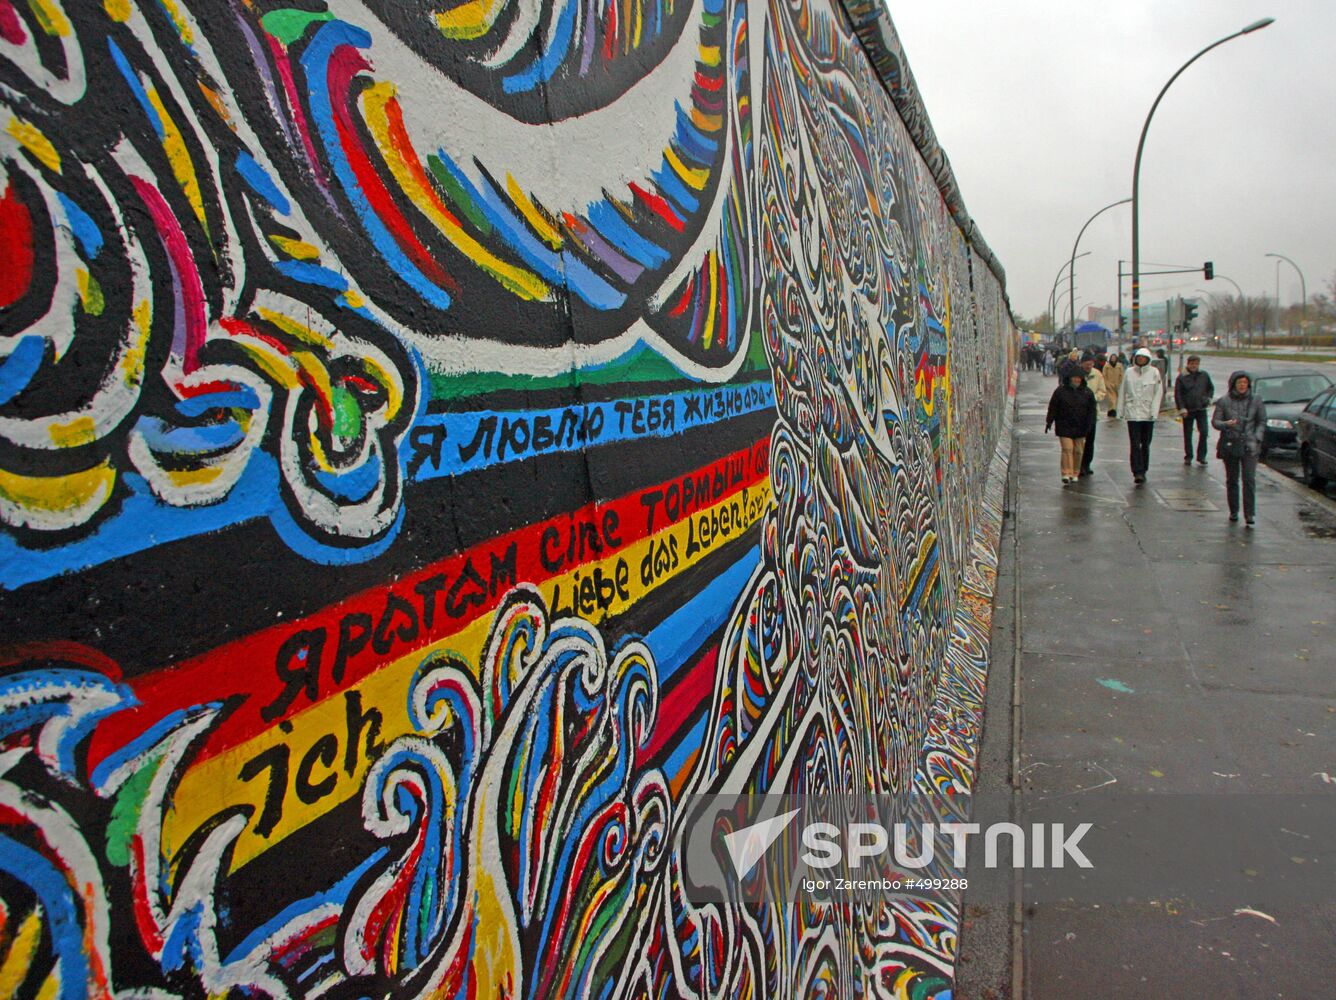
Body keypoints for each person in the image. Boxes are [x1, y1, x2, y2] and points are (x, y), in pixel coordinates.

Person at [1211, 371, 1267, 525]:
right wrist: (1226, 424)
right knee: (1232, 479)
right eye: (1239, 383)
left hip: (1250, 445)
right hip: (1231, 444)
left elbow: (1262, 420)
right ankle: (1234, 510)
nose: (1242, 385)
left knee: (1249, 479)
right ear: (1233, 384)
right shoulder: (1224, 401)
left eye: (1244, 383)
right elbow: (1215, 421)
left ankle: (1249, 514)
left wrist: (1257, 437)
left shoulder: (1256, 400)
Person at [1117, 348, 1164, 484]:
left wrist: (1154, 412)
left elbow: (1157, 393)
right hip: (1133, 414)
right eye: (1139, 358)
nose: (1141, 360)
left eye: (1144, 358)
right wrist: (1120, 410)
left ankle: (1144, 468)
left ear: (1148, 359)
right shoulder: (1129, 372)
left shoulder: (1154, 373)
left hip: (1148, 414)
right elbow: (1123, 391)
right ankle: (1137, 471)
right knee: (1134, 443)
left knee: (1145, 443)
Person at [1046, 368, 1097, 485]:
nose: (1076, 380)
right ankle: (1066, 473)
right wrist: (1049, 421)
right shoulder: (1060, 391)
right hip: (1064, 425)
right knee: (1067, 449)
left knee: (1078, 451)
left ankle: (1075, 472)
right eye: (1074, 377)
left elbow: (1092, 411)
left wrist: (1090, 425)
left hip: (1081, 426)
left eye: (1079, 378)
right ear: (1069, 379)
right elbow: (1053, 407)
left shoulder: (1087, 393)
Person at [1173, 355, 1215, 466]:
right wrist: (1181, 408)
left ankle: (1201, 456)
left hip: (1201, 408)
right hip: (1188, 410)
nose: (1194, 366)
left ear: (1198, 364)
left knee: (1204, 432)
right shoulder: (1182, 377)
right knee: (1188, 434)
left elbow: (1210, 388)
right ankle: (1188, 456)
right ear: (1188, 364)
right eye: (1192, 364)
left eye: (1196, 364)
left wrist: (1208, 399)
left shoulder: (1204, 375)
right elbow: (1178, 394)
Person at [1077, 356, 1107, 476]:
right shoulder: (1077, 373)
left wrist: (1093, 398)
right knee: (1079, 440)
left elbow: (1102, 391)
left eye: (1091, 364)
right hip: (1078, 412)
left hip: (1092, 411)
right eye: (1087, 364)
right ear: (1082, 364)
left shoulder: (1097, 374)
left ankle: (1086, 464)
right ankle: (1078, 465)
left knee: (1090, 440)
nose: (1089, 366)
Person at [1102, 353, 1123, 418]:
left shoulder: (1119, 366)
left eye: (1114, 358)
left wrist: (1120, 383)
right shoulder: (1106, 366)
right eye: (1112, 358)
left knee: (1116, 399)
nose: (1113, 359)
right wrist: (1106, 383)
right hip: (1109, 385)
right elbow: (1104, 375)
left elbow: (1121, 375)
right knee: (1111, 399)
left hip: (1116, 385)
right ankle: (1112, 411)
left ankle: (1112, 411)